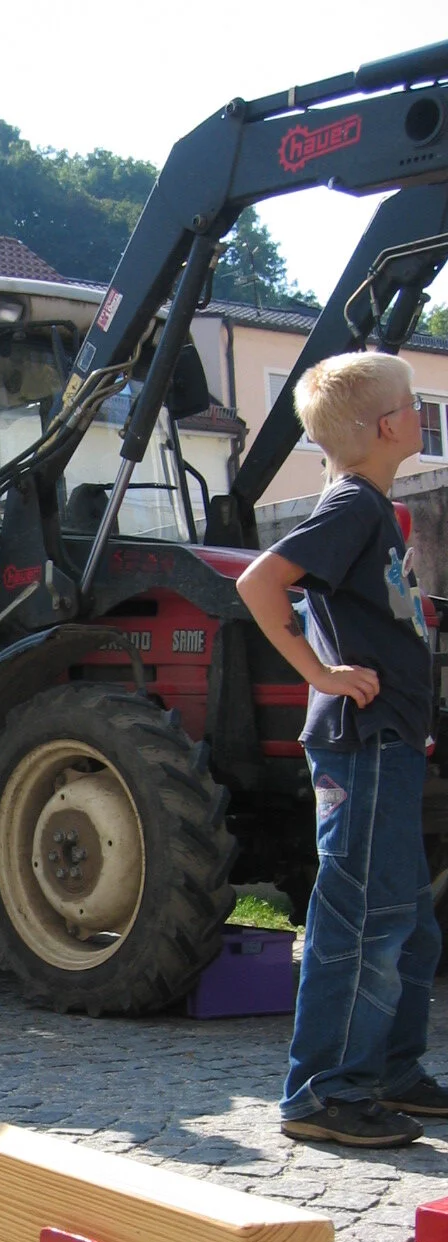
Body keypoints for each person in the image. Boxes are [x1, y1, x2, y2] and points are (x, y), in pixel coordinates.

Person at [236, 352, 448, 1149]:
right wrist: (320, 671)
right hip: (363, 744)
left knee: (408, 922)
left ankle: (392, 1072)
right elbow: (260, 583)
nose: (419, 412)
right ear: (390, 425)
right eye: (411, 401)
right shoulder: (355, 505)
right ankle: (325, 1093)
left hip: (388, 741)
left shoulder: (371, 508)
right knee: (362, 921)